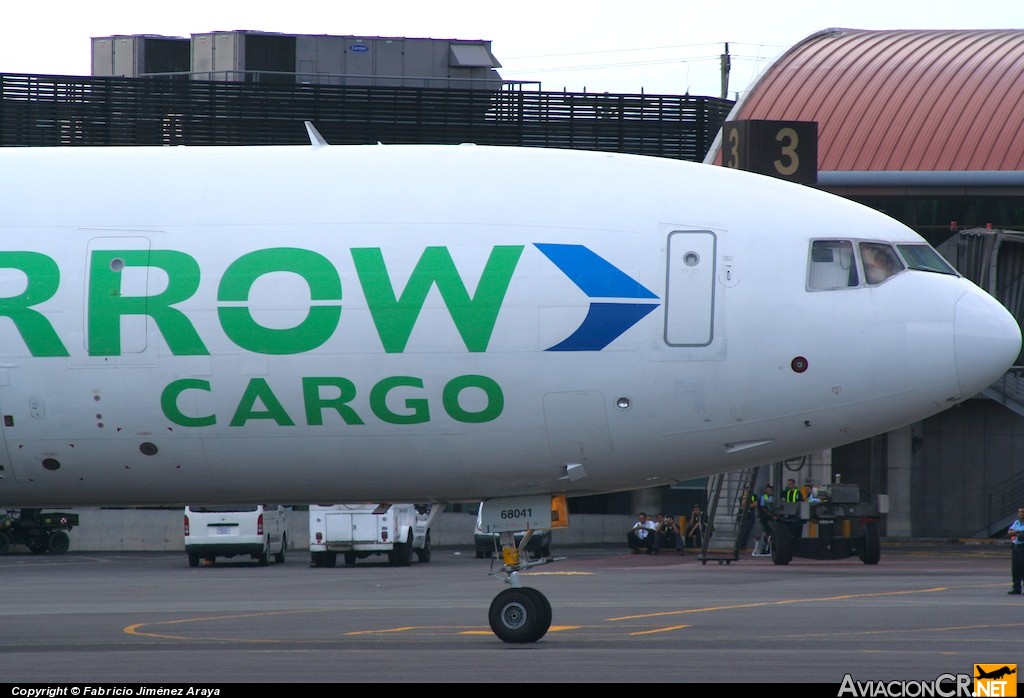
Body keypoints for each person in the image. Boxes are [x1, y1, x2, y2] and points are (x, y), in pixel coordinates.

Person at [1008, 506, 1024, 595]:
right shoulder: (1016, 523)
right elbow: (1009, 532)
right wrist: (1018, 532)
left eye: (1023, 512)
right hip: (1016, 547)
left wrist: (1017, 532)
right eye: (1020, 512)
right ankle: (1016, 587)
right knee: (1016, 568)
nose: (1021, 514)